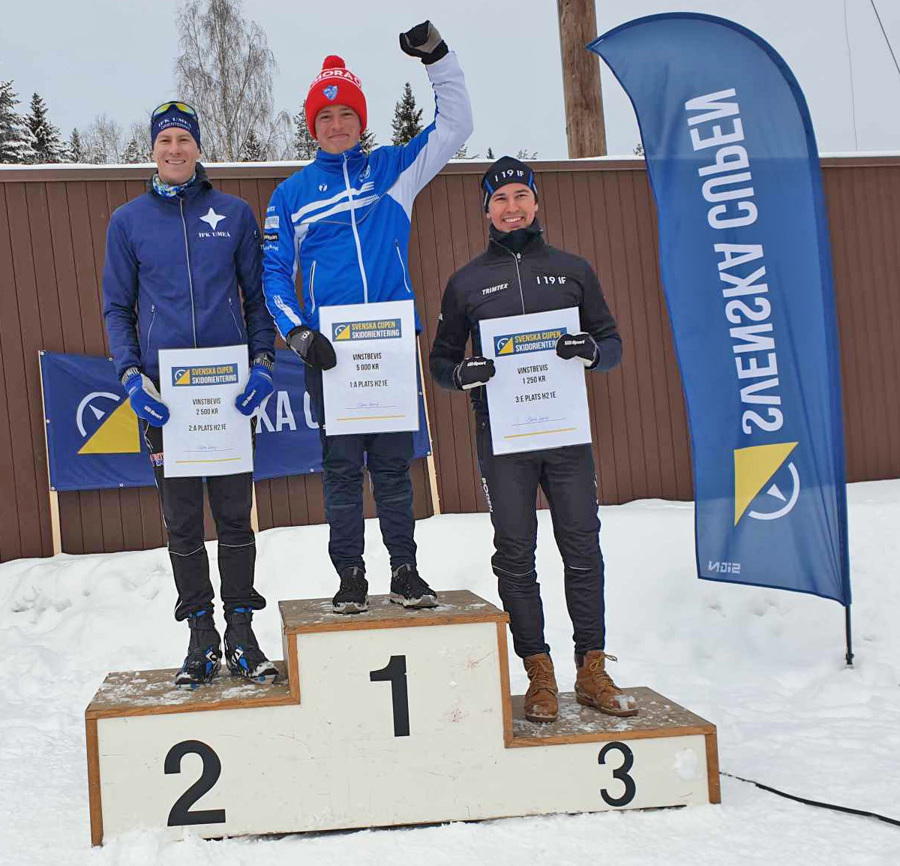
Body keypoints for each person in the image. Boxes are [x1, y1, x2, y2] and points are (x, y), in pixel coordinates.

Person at [263, 21, 473, 614]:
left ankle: (404, 569)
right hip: (329, 353)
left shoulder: (393, 171)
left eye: (346, 115)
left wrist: (437, 59)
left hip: (386, 351)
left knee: (392, 468)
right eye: (325, 117)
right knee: (339, 470)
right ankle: (350, 575)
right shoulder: (292, 195)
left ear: (361, 121)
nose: (337, 125)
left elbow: (456, 125)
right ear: (313, 126)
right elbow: (273, 271)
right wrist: (296, 332)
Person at [429, 156, 638, 722]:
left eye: (521, 196)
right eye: (501, 199)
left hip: (567, 436)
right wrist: (463, 375)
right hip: (504, 442)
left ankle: (591, 670)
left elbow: (612, 342)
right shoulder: (467, 282)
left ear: (536, 203)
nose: (512, 207)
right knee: (515, 554)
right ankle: (538, 674)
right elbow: (442, 363)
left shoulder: (572, 270)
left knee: (581, 547)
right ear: (487, 210)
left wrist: (591, 352)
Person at [103, 101, 278, 687]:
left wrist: (262, 362)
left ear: (199, 148)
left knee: (234, 517)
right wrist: (131, 376)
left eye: (185, 139)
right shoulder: (127, 222)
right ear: (152, 149)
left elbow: (256, 297)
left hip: (228, 399)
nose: (175, 149)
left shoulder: (233, 213)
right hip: (165, 399)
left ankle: (243, 633)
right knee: (181, 522)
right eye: (165, 139)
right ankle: (201, 636)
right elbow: (117, 308)